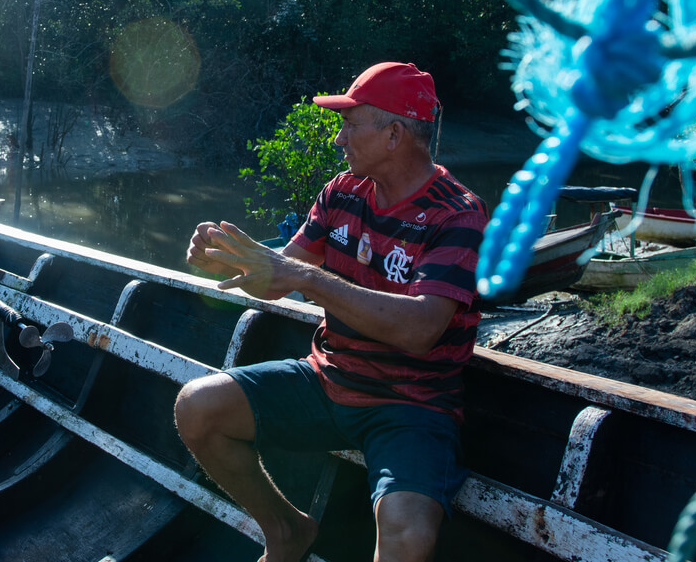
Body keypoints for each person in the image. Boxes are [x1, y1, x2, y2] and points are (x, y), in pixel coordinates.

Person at [174, 62, 487, 562]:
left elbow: (421, 329)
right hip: (327, 380)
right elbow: (281, 273)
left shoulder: (457, 213)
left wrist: (309, 279)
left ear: (393, 135)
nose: (340, 139)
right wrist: (223, 257)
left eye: (350, 124)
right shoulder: (342, 191)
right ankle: (286, 531)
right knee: (196, 407)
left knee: (406, 536)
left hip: (410, 405)